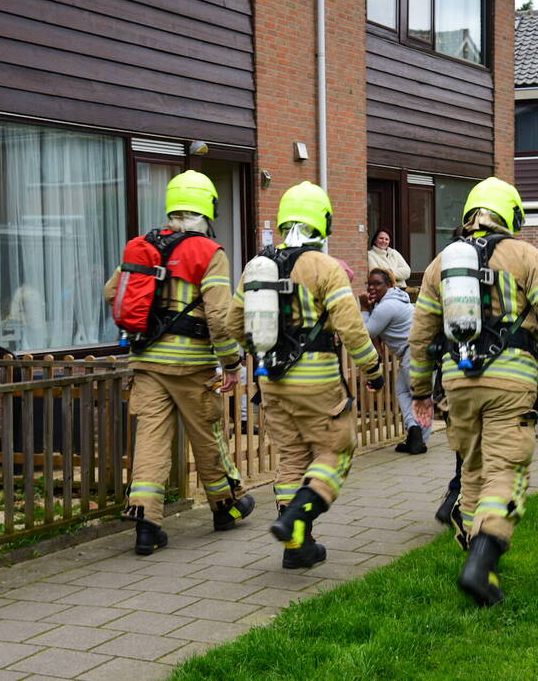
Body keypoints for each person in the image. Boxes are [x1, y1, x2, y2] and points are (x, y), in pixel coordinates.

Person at [409, 177, 538, 607]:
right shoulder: (525, 255)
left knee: (472, 468)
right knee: (506, 468)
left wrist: (419, 389)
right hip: (511, 381)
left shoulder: (440, 264)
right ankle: (481, 561)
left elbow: (420, 334)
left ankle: (476, 560)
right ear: (511, 215)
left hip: (457, 384)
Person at [227, 182, 384, 569]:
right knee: (337, 450)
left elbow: (232, 323)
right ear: (323, 222)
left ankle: (298, 547)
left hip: (272, 383)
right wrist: (373, 369)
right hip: (318, 383)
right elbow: (351, 328)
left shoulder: (255, 266)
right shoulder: (325, 267)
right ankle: (297, 516)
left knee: (292, 457)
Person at [104, 170, 255, 555]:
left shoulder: (143, 245)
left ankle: (146, 523)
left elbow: (111, 293)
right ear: (208, 209)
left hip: (147, 362)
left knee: (150, 441)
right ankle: (226, 507)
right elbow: (220, 317)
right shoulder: (209, 253)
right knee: (207, 434)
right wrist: (232, 363)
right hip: (191, 365)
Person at [360, 267, 431, 454]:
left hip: (414, 353)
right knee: (406, 392)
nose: (372, 287)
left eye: (377, 283)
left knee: (415, 396)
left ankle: (417, 437)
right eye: (370, 283)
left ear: (390, 284)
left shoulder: (387, 306)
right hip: (421, 351)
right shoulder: (397, 300)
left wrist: (364, 308)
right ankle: (416, 437)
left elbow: (366, 333)